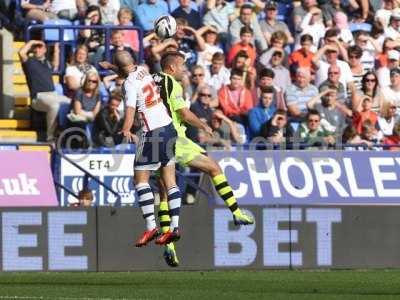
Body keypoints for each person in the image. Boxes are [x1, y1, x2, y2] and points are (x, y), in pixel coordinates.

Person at [153, 51, 254, 267]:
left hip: (151, 142)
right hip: (174, 139)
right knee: (214, 168)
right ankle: (236, 212)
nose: (184, 70)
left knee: (163, 194)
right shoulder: (172, 83)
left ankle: (169, 246)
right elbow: (184, 113)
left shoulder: (151, 81)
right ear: (171, 68)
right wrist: (204, 125)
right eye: (181, 66)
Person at [115, 51, 183, 248]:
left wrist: (126, 128)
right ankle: (175, 228)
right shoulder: (143, 71)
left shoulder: (128, 84)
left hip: (152, 132)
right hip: (169, 128)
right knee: (170, 180)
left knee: (140, 180)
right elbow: (127, 70)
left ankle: (151, 226)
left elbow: (130, 109)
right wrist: (113, 68)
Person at [19, 40, 71, 142]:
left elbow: (55, 64)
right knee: (54, 106)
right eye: (35, 47)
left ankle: (69, 133)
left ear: (44, 50)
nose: (37, 49)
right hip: (38, 97)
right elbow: (21, 52)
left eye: (40, 47)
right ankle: (50, 137)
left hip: (53, 94)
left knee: (71, 102)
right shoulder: (29, 62)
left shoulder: (46, 62)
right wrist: (33, 41)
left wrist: (56, 50)